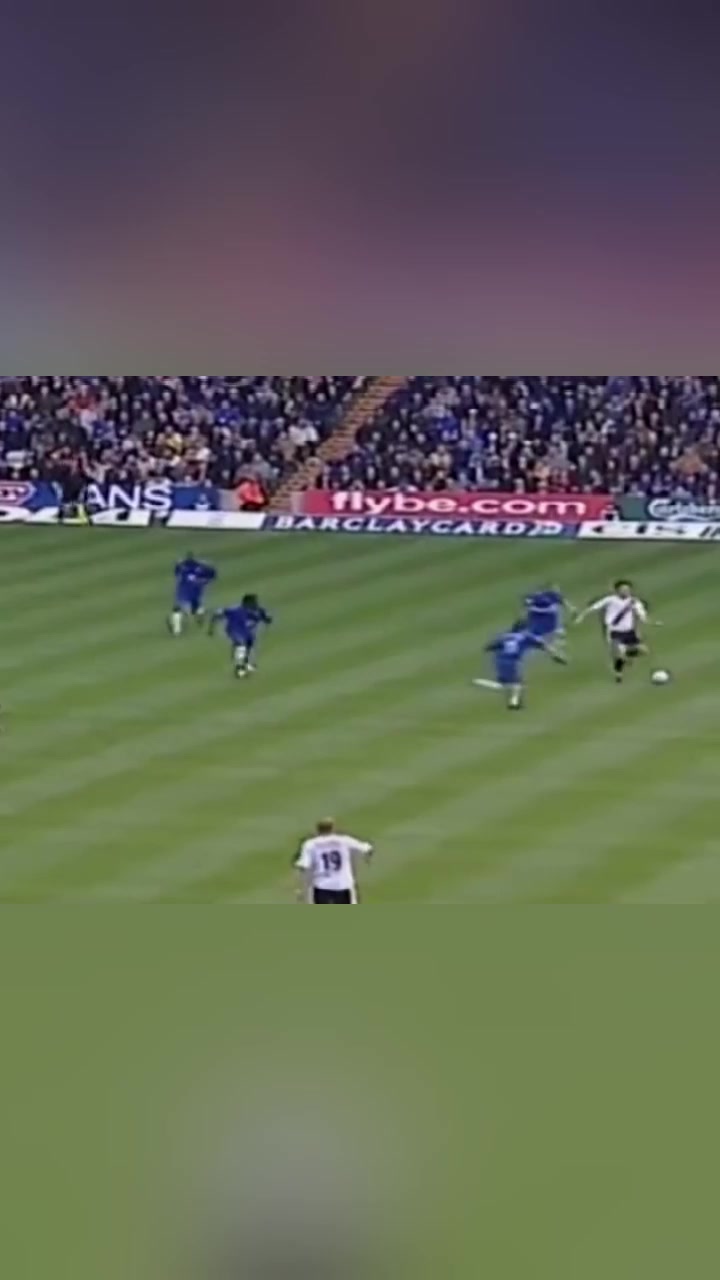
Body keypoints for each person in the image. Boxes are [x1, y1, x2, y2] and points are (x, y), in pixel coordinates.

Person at [473, 620, 567, 710]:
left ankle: (480, 683)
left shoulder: (505, 637)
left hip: (500, 661)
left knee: (508, 684)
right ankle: (513, 703)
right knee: (517, 683)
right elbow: (543, 645)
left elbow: (489, 647)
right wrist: (556, 655)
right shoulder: (526, 637)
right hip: (512, 661)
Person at [575, 580, 652, 683]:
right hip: (614, 631)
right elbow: (594, 607)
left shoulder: (634, 601)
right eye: (623, 589)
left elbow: (641, 613)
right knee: (619, 653)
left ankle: (626, 655)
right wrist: (581, 616)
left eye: (627, 589)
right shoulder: (610, 600)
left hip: (629, 631)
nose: (626, 591)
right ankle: (618, 673)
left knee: (644, 651)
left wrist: (648, 621)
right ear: (617, 590)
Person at [295, 819, 374, 903]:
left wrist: (301, 888)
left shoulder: (310, 844)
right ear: (333, 828)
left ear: (318, 830)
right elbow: (367, 848)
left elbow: (303, 866)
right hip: (343, 885)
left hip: (322, 886)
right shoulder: (345, 840)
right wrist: (367, 858)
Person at [209, 593, 273, 677]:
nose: (256, 603)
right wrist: (211, 628)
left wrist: (267, 619)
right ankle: (239, 668)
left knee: (249, 645)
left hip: (246, 632)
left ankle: (245, 663)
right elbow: (217, 614)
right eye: (254, 601)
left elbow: (264, 618)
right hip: (234, 630)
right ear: (247, 602)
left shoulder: (256, 611)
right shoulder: (235, 610)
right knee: (241, 645)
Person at [169, 553, 217, 635]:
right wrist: (206, 581)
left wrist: (178, 564)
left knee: (177, 609)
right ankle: (199, 613)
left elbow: (176, 572)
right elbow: (213, 574)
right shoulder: (202, 567)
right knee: (194, 606)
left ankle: (177, 629)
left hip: (184, 591)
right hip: (196, 591)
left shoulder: (182, 567)